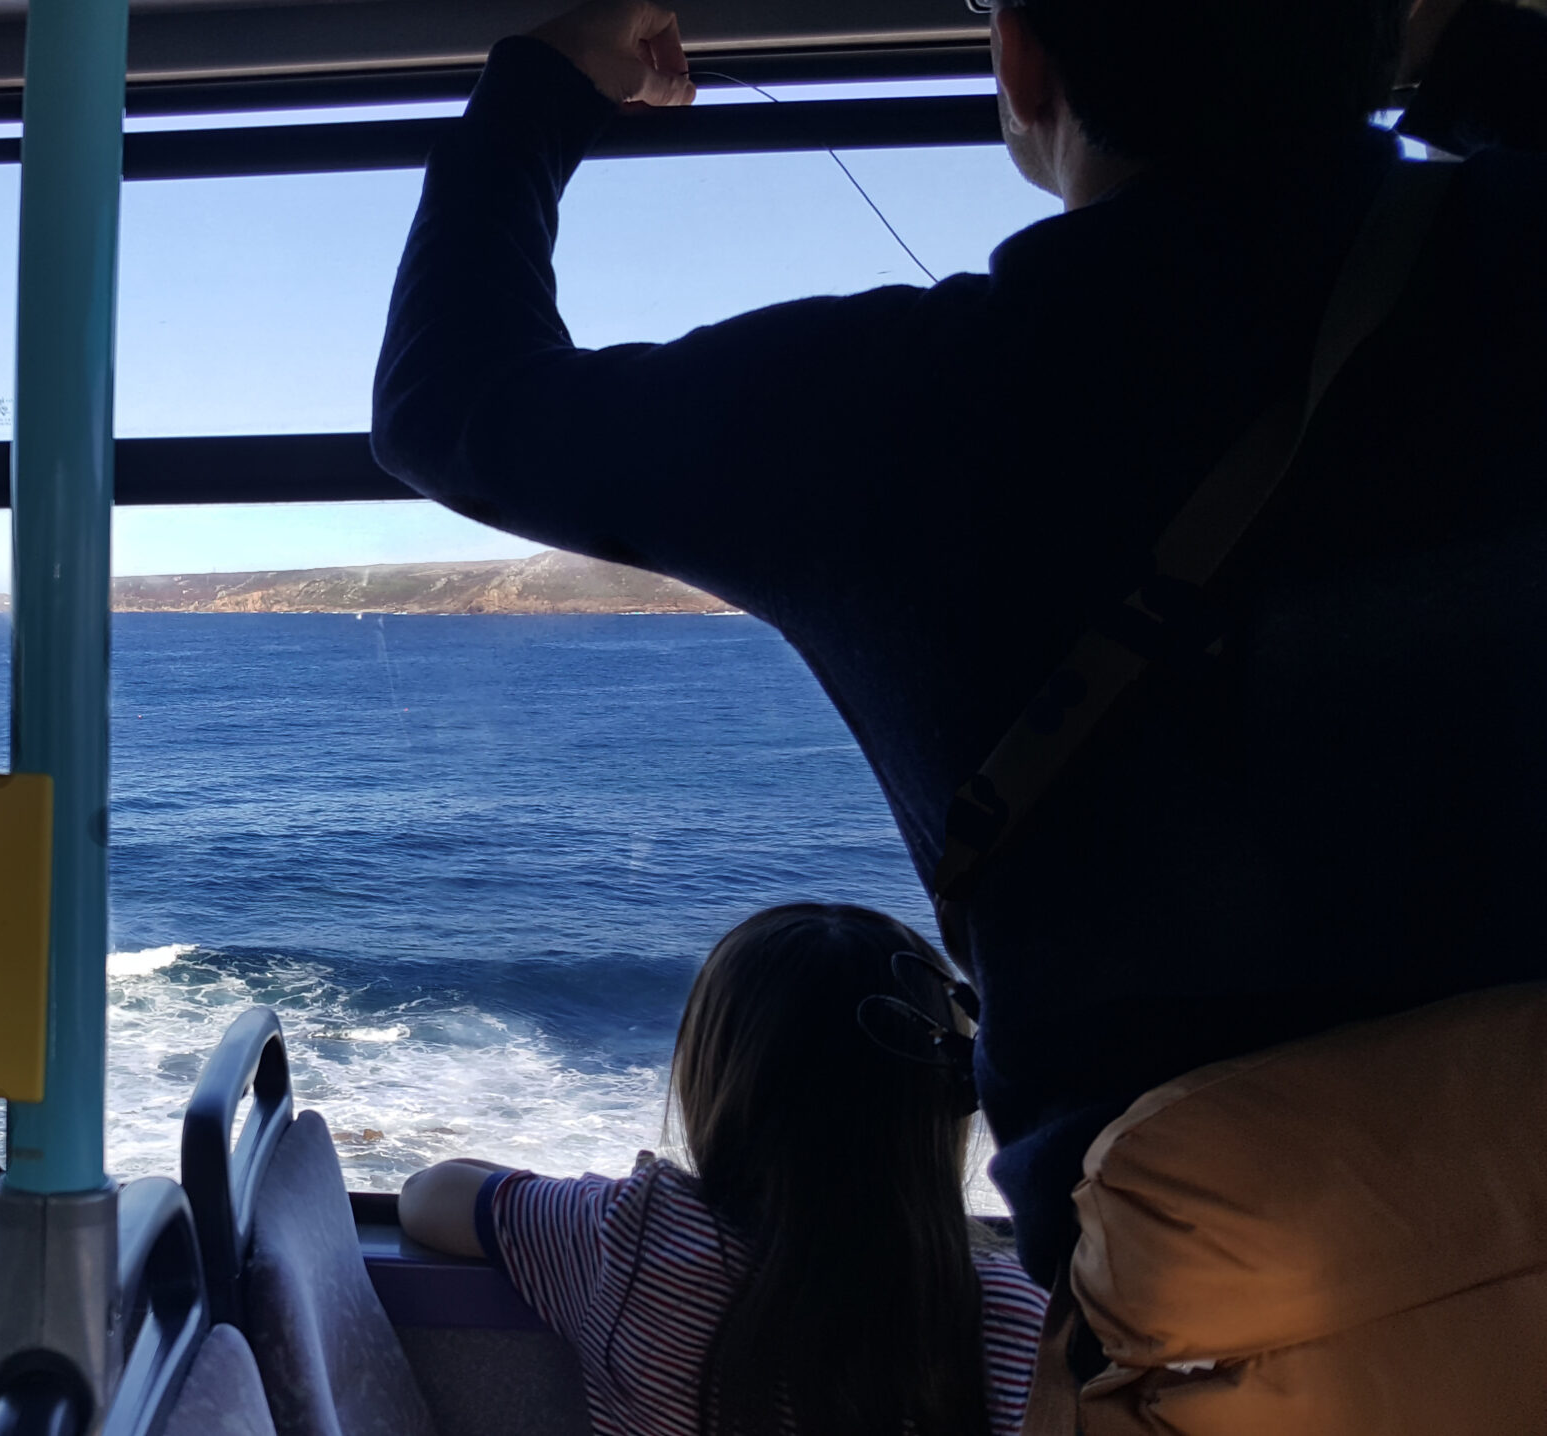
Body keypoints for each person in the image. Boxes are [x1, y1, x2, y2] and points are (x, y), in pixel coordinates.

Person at [374, 0, 1547, 1411]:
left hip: (1215, 1374)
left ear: (1023, 61)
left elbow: (454, 403)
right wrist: (1468, 57)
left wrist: (546, 88)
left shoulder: (913, 409)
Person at [400, 904, 1046, 1436]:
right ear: (941, 1103)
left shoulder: (642, 1238)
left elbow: (429, 1196)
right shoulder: (1016, 1314)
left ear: (717, 1077)